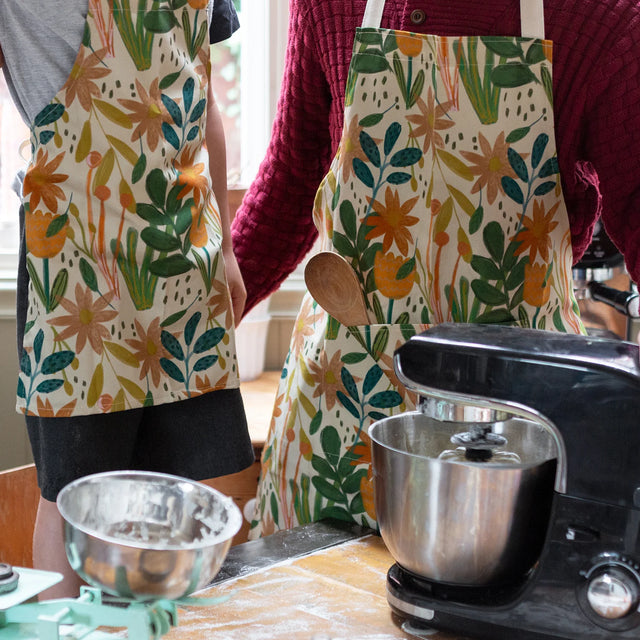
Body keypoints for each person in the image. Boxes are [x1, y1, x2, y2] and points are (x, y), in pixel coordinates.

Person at [231, 0, 640, 538]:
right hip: (334, 416)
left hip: (509, 438)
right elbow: (291, 179)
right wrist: (188, 337)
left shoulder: (601, 17)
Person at [0, 0, 254, 598]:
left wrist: (226, 251)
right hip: (77, 270)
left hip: (186, 264)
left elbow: (205, 106)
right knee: (71, 498)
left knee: (195, 501)